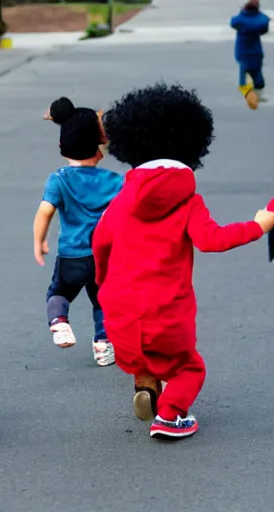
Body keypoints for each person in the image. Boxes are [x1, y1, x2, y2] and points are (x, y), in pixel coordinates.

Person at [92, 82, 274, 439]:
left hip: (121, 315)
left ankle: (146, 384)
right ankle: (172, 416)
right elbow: (213, 240)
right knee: (190, 368)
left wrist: (102, 284)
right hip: (166, 316)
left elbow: (99, 244)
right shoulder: (188, 201)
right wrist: (258, 224)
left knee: (143, 355)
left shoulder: (120, 200)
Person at [34, 97, 123, 366]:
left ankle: (60, 322)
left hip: (71, 255)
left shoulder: (58, 179)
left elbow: (45, 211)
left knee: (58, 293)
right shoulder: (114, 181)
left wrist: (39, 241)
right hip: (104, 257)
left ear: (63, 148)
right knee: (103, 301)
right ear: (100, 149)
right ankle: (103, 345)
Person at [231, 0, 270, 108]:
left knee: (244, 73)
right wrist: (259, 13)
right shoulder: (260, 20)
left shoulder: (239, 20)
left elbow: (233, 22)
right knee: (257, 74)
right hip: (256, 51)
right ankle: (257, 95)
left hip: (242, 51)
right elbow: (264, 25)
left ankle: (248, 95)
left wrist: (242, 12)